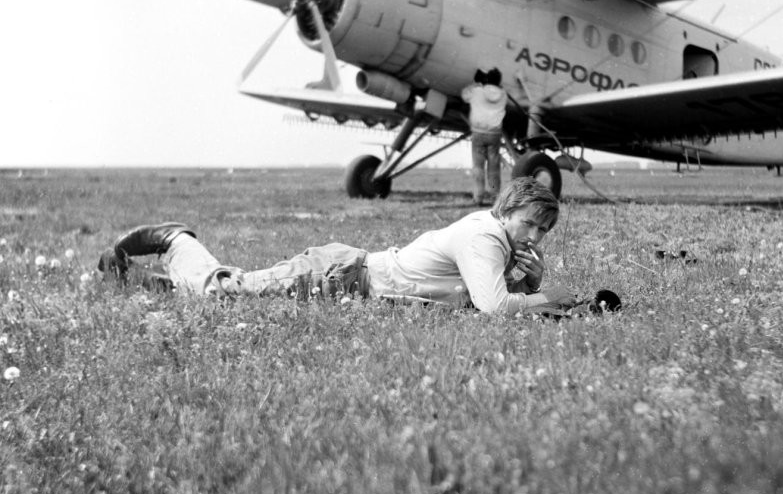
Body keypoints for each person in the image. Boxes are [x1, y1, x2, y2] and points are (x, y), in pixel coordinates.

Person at [97, 178, 578, 316]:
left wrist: (531, 280)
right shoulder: (484, 237)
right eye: (530, 225)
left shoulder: (495, 237)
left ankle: (144, 282)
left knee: (214, 296)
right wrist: (547, 296)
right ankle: (174, 239)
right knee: (224, 293)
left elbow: (479, 294)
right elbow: (493, 307)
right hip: (337, 276)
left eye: (543, 231)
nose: (534, 237)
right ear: (508, 209)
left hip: (346, 276)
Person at [461, 67, 506, 205]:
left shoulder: (477, 91)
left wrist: (476, 83)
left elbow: (464, 95)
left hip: (478, 133)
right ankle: (494, 196)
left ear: (486, 79)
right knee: (493, 168)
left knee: (478, 167)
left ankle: (478, 197)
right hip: (495, 134)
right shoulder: (503, 94)